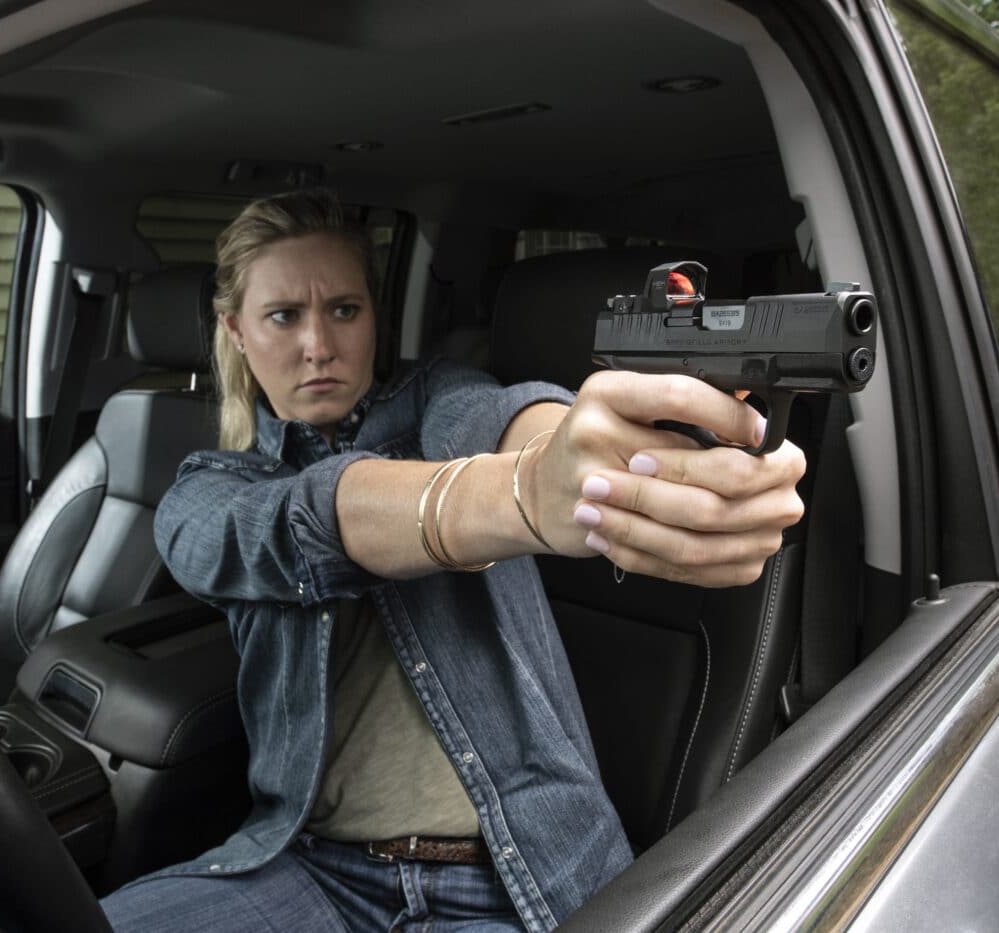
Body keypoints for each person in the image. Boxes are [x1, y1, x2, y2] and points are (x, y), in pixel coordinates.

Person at [100, 189, 805, 932]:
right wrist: (517, 497)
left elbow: (500, 420)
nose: (318, 344)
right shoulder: (211, 487)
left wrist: (560, 459)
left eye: (344, 309)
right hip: (310, 871)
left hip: (509, 875)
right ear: (235, 329)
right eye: (284, 316)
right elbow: (291, 522)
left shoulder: (438, 394)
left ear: (375, 316)